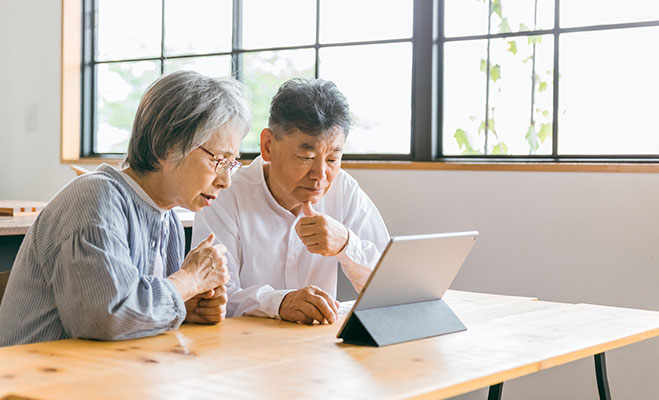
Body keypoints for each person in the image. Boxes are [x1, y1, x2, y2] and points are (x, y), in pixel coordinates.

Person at [0, 70, 251, 346]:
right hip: (33, 381)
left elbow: (133, 315)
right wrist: (189, 281)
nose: (226, 181)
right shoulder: (95, 198)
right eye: (220, 160)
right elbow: (109, 317)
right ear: (168, 147)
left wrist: (183, 309)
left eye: (232, 164)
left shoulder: (169, 220)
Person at [193, 78, 389, 325]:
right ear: (268, 146)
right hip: (243, 349)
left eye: (332, 159)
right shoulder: (225, 192)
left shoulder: (344, 189)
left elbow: (389, 287)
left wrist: (347, 244)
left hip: (319, 348)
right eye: (306, 157)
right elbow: (214, 296)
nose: (319, 176)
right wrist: (280, 303)